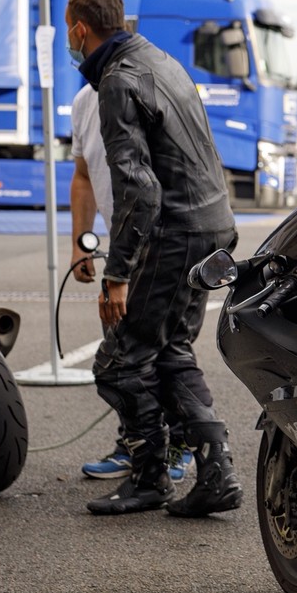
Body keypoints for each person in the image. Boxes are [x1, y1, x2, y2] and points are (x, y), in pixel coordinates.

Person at [65, 0, 242, 517]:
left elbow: (138, 190)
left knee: (119, 362)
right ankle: (216, 472)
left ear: (78, 30)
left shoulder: (116, 82)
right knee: (171, 351)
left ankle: (150, 478)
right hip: (213, 225)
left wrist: (117, 275)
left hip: (174, 231)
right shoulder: (161, 61)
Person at [71, 83, 192, 484]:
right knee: (121, 347)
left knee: (164, 347)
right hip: (126, 243)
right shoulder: (84, 102)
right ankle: (137, 444)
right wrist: (81, 244)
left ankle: (180, 443)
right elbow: (84, 176)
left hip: (170, 246)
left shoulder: (151, 91)